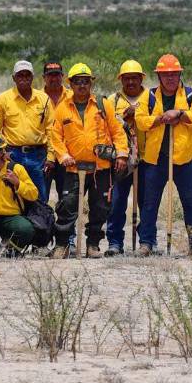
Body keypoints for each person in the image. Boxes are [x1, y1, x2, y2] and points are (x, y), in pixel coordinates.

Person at [48, 63, 128, 258]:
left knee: (100, 208)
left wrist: (121, 154)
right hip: (73, 168)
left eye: (85, 81)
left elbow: (117, 131)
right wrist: (63, 156)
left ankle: (93, 245)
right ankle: (62, 245)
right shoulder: (62, 108)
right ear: (71, 84)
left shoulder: (102, 104)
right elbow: (55, 136)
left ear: (91, 83)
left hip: (100, 168)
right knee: (67, 207)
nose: (82, 85)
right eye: (77, 82)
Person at [134, 54, 192, 255]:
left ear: (180, 74)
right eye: (166, 75)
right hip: (156, 159)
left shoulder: (191, 95)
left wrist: (180, 114)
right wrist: (160, 119)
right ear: (159, 76)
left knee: (189, 202)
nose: (170, 78)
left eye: (174, 74)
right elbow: (140, 120)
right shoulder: (148, 96)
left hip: (183, 159)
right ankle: (146, 243)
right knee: (150, 203)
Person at [105, 59, 147, 256]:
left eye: (134, 78)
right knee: (116, 203)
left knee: (147, 204)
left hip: (146, 160)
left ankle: (147, 242)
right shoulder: (112, 100)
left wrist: (138, 114)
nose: (130, 82)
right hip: (120, 160)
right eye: (126, 78)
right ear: (121, 80)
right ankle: (115, 242)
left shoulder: (151, 98)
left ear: (141, 79)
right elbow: (108, 127)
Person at [0, 60, 54, 202]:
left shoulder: (44, 99)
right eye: (20, 75)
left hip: (38, 156)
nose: (23, 78)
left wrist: (51, 156)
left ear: (32, 77)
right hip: (12, 155)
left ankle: (41, 217)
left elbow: (51, 130)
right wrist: (2, 153)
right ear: (13, 78)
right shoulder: (3, 99)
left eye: (27, 75)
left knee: (40, 197)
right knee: (14, 196)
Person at [42, 61, 72, 203]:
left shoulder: (73, 96)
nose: (54, 79)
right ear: (44, 77)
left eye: (57, 75)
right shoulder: (37, 97)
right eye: (50, 75)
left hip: (67, 155)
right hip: (43, 154)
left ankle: (64, 220)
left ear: (62, 76)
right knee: (41, 197)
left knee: (66, 198)